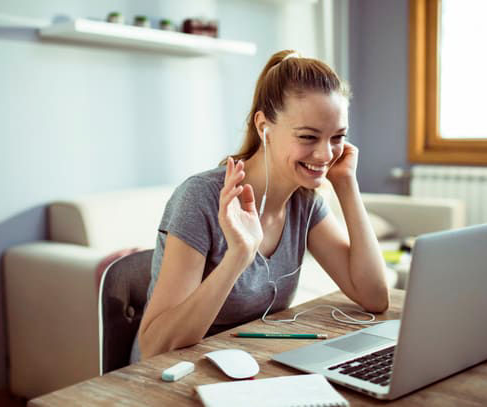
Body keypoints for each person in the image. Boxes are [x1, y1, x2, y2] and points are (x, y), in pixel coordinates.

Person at [132, 49, 389, 362]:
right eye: (308, 137)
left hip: (249, 363)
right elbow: (154, 346)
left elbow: (374, 297)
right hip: (173, 374)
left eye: (338, 137)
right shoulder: (200, 198)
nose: (325, 154)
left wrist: (347, 185)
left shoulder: (304, 203)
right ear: (263, 127)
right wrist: (238, 255)